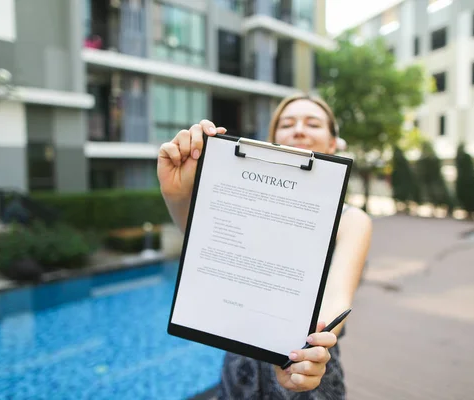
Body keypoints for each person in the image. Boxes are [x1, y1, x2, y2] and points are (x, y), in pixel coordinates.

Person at [157, 93, 372, 399]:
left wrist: (307, 349)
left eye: (312, 123)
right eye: (287, 124)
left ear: (334, 143)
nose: (298, 130)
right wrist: (175, 193)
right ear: (274, 139)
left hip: (306, 367)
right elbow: (201, 243)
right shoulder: (247, 201)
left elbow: (337, 300)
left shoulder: (351, 219)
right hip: (239, 365)